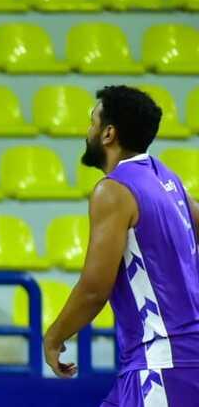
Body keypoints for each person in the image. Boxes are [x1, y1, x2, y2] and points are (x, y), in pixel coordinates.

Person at [44, 85, 199, 404]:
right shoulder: (167, 179)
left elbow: (94, 289)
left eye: (93, 122)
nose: (88, 130)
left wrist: (54, 336)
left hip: (161, 364)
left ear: (108, 134)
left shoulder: (113, 191)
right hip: (172, 360)